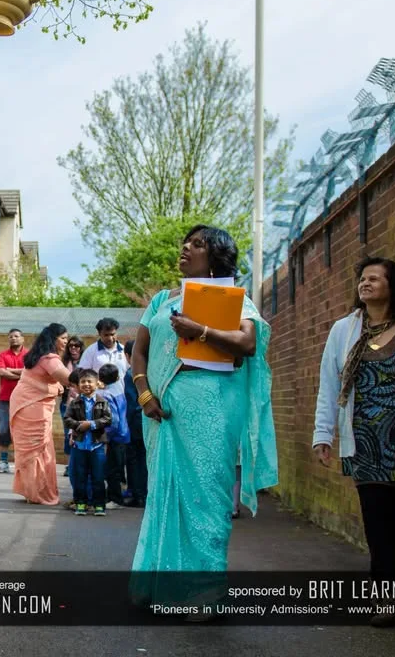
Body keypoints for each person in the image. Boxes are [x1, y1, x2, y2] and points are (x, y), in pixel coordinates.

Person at [129, 224, 277, 617]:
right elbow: (139, 352)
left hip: (212, 407)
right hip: (162, 410)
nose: (186, 247)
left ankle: (204, 593)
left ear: (215, 258)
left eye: (197, 244)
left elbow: (247, 343)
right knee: (165, 495)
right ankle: (159, 583)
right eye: (186, 242)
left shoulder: (234, 299)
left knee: (206, 498)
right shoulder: (162, 300)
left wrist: (201, 331)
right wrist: (144, 394)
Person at [312, 257, 395, 628]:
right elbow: (329, 385)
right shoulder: (344, 331)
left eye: (374, 279)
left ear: (392, 286)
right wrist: (323, 434)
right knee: (375, 519)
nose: (365, 284)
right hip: (362, 441)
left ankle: (385, 585)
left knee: (391, 522)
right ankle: (387, 596)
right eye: (362, 279)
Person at [7, 324, 71, 506]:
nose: (66, 342)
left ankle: (33, 491)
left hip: (26, 404)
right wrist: (91, 379)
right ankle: (38, 493)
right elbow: (67, 379)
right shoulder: (50, 359)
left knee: (39, 449)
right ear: (53, 339)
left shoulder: (39, 356)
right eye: (63, 338)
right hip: (32, 406)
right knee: (36, 449)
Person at [63, 368, 112, 516]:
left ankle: (99, 505)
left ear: (97, 384)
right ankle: (81, 504)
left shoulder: (102, 402)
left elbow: (108, 419)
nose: (86, 384)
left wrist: (91, 424)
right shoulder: (74, 402)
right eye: (83, 382)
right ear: (79, 384)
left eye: (89, 381)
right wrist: (79, 425)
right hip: (79, 445)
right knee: (80, 477)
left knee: (98, 477)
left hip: (97, 446)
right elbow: (67, 419)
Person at [0, 329, 28, 474]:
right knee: (4, 431)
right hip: (5, 400)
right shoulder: (3, 355)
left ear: (22, 338)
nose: (13, 338)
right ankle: (4, 462)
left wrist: (11, 370)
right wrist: (20, 375)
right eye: (11, 337)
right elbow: (1, 371)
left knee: (24, 432)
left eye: (16, 336)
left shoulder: (29, 355)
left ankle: (22, 464)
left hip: (24, 400)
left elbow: (30, 371)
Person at [98, 363, 130, 509]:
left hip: (115, 436)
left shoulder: (106, 395)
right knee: (118, 467)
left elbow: (113, 420)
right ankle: (117, 494)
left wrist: (106, 434)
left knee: (112, 469)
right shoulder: (119, 389)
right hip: (124, 433)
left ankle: (115, 498)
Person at [122, 340, 147, 508]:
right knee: (144, 459)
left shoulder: (131, 374)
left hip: (135, 422)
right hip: (147, 419)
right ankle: (144, 493)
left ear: (128, 356)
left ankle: (138, 495)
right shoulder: (148, 372)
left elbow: (132, 403)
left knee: (134, 460)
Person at [60, 337, 84, 482]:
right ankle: (69, 465)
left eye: (77, 346)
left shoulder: (85, 362)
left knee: (81, 432)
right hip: (67, 403)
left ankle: (79, 464)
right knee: (67, 434)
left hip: (82, 402)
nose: (73, 348)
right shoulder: (64, 363)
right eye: (71, 346)